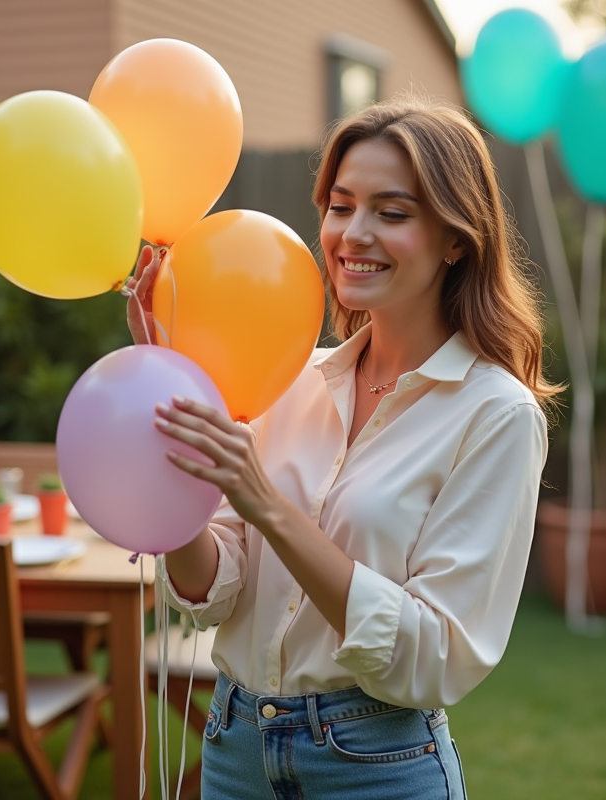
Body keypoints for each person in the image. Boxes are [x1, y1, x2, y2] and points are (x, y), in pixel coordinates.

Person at [126, 95, 557, 800]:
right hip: (233, 750)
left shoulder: (495, 415)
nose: (353, 234)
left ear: (456, 239)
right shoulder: (289, 376)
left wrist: (265, 503)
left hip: (374, 768)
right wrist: (167, 404)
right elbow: (211, 594)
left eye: (392, 212)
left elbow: (436, 657)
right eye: (340, 204)